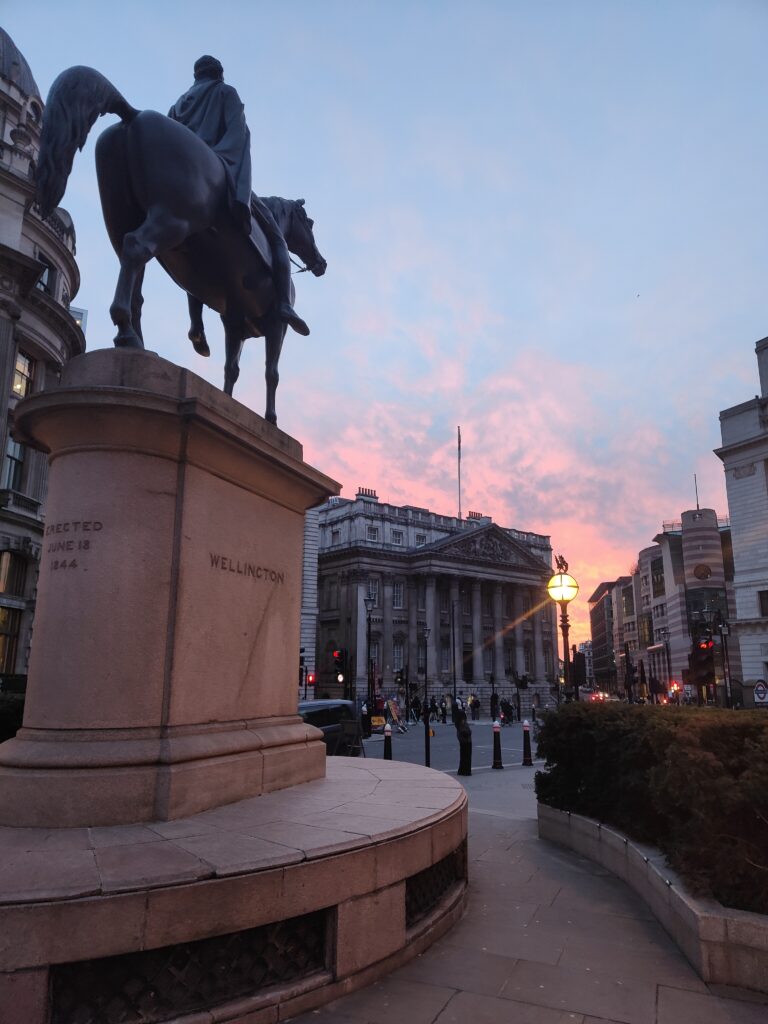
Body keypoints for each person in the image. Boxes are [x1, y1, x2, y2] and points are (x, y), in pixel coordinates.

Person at [169, 56, 309, 337]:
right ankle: (284, 304)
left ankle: (196, 324)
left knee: (188, 244)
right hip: (220, 167)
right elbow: (239, 135)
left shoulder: (178, 105)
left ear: (196, 75)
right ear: (219, 74)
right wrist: (231, 173)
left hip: (179, 178)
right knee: (278, 239)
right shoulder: (225, 93)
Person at [455, 710, 472, 776]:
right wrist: (469, 732)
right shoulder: (462, 723)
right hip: (466, 741)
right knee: (467, 757)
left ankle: (461, 770)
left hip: (462, 741)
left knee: (463, 756)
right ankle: (466, 771)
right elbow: (466, 732)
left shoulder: (458, 723)